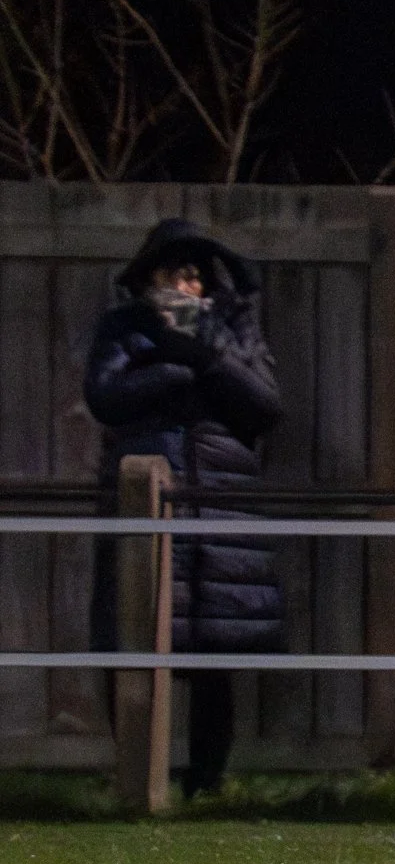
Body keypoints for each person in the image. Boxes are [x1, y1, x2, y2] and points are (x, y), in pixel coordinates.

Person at [86, 218, 284, 798]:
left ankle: (206, 781)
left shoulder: (233, 330)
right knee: (132, 634)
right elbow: (105, 396)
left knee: (213, 644)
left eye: (195, 275)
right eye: (173, 274)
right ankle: (136, 777)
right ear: (149, 279)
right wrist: (173, 364)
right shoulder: (124, 327)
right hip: (143, 498)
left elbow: (265, 406)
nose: (185, 285)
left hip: (219, 501)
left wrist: (206, 357)